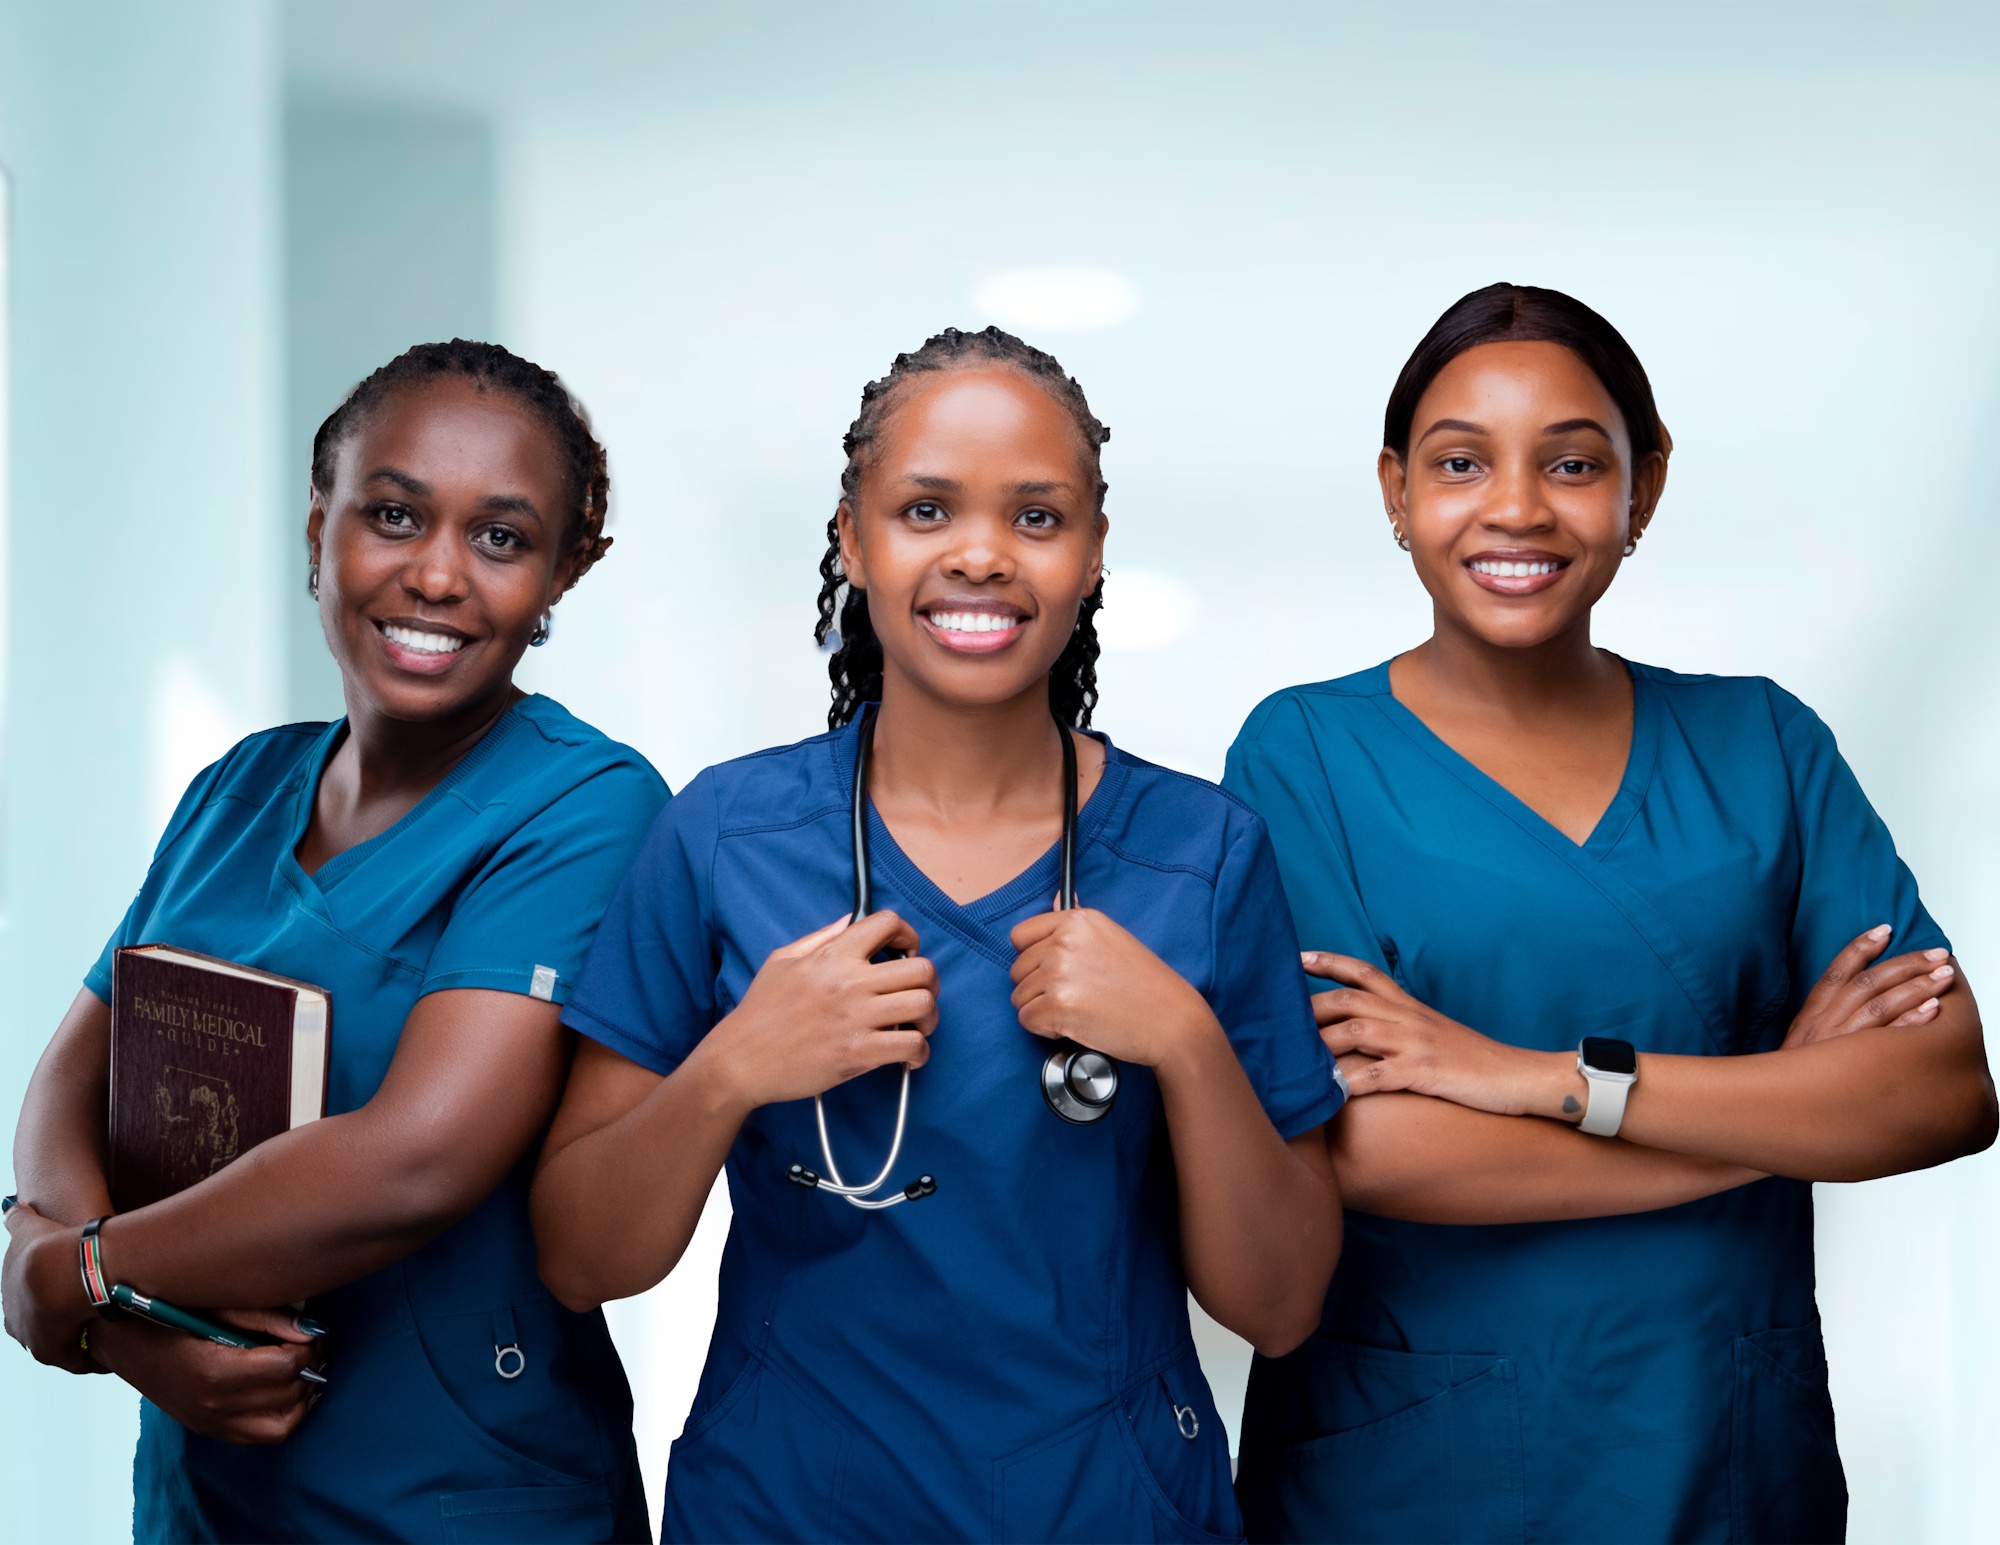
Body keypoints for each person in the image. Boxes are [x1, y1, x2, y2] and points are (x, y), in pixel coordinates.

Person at [530, 326, 1344, 1543]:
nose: (978, 554)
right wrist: (737, 1066)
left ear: (1092, 553)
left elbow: (1277, 1307)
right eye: (924, 510)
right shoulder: (724, 837)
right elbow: (580, 1257)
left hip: (1105, 1512)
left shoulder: (1201, 853)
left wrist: (1180, 1037)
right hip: (790, 1510)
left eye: (1035, 516)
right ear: (852, 541)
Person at [1222, 283, 1998, 1544]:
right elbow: (1365, 1149)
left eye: (1573, 463)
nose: (1516, 506)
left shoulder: (1761, 745)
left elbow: (1941, 1091)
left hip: (1719, 1446)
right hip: (1413, 1471)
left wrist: (1534, 1079)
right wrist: (1780, 1114)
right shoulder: (1304, 753)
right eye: (1459, 461)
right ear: (1393, 492)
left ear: (1642, 488)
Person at [3, 341, 665, 1542]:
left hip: (454, 1501)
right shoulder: (236, 789)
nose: (437, 575)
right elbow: (71, 1078)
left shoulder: (587, 807)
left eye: (501, 538)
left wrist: (78, 1277)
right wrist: (127, 1326)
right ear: (320, 525)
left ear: (567, 569)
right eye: (395, 514)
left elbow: (416, 1159)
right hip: (207, 1491)